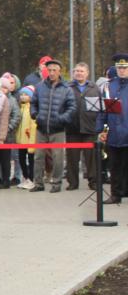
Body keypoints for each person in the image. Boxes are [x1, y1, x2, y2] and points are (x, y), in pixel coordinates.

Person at [29, 58, 75, 193]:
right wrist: (35, 115)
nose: (52, 73)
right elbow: (33, 103)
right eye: (49, 70)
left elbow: (72, 107)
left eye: (54, 70)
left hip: (58, 129)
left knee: (58, 157)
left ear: (59, 71)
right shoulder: (40, 86)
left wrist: (62, 119)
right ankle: (38, 183)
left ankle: (56, 183)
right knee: (38, 157)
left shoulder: (66, 89)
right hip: (41, 127)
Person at [65, 63, 101, 191]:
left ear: (87, 73)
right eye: (76, 71)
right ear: (73, 73)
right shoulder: (68, 87)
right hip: (72, 128)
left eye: (81, 71)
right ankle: (73, 183)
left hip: (89, 128)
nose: (79, 73)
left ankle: (93, 182)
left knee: (91, 158)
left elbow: (100, 108)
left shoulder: (95, 88)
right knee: (72, 158)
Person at [98, 54, 128, 204]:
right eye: (119, 68)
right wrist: (101, 130)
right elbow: (103, 110)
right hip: (114, 132)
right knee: (115, 166)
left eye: (124, 68)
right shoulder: (108, 86)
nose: (122, 70)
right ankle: (116, 194)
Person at [16, 85, 37, 190]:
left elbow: (33, 125)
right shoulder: (21, 108)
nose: (23, 97)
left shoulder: (32, 108)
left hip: (29, 139)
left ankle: (32, 179)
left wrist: (31, 139)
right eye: (22, 94)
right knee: (21, 159)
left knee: (31, 160)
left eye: (26, 95)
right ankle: (25, 177)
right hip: (20, 140)